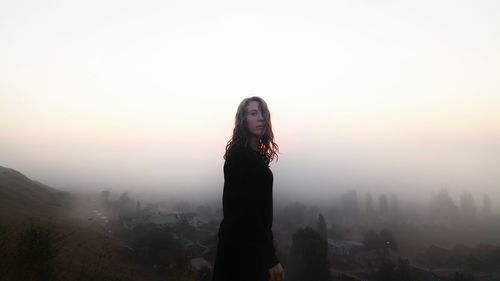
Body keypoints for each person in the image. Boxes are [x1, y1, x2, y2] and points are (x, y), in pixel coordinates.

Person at [212, 97, 285, 281]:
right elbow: (247, 212)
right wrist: (270, 258)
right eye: (254, 113)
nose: (261, 118)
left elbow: (261, 213)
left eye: (263, 114)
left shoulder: (255, 158)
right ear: (243, 120)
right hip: (240, 251)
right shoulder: (238, 156)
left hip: (253, 247)